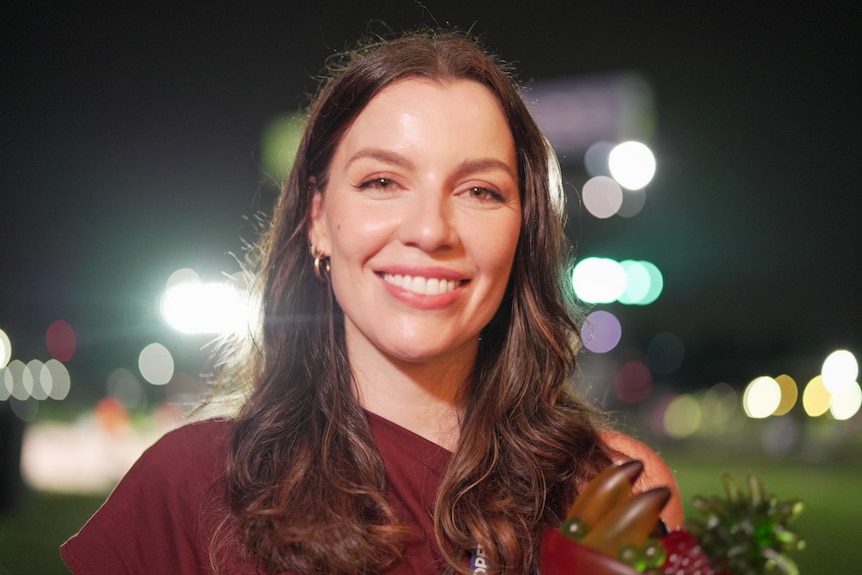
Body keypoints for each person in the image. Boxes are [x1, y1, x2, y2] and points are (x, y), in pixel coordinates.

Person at [61, 29, 683, 575]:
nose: (431, 230)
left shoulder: (614, 491)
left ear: (525, 232)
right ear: (319, 219)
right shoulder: (192, 486)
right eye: (382, 182)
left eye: (479, 190)